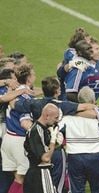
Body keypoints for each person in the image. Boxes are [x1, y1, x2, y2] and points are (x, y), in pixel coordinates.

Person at [59, 87, 99, 193]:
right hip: (95, 157)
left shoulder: (68, 118)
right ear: (93, 101)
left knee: (76, 190)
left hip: (74, 157)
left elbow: (57, 130)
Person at [1, 64, 35, 193]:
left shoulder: (9, 91)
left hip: (8, 138)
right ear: (29, 78)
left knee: (17, 177)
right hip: (19, 140)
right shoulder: (26, 97)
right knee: (23, 178)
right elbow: (25, 121)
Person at [23, 103, 61, 193]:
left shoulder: (43, 129)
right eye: (56, 118)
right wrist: (53, 140)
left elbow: (45, 148)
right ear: (47, 116)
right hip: (40, 173)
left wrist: (55, 143)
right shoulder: (37, 131)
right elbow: (45, 158)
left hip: (37, 173)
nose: (57, 121)